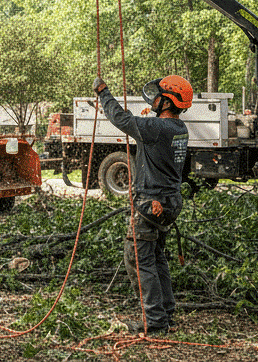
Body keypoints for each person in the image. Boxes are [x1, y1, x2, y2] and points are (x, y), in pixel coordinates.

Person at [93, 74, 192, 335]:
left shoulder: (157, 129)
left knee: (138, 259)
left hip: (152, 204)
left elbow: (121, 120)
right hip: (169, 203)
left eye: (159, 97)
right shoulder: (178, 129)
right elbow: (147, 129)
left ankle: (156, 321)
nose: (154, 100)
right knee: (157, 258)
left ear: (168, 103)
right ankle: (165, 314)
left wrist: (104, 93)